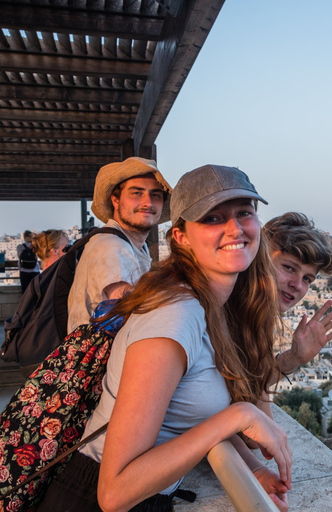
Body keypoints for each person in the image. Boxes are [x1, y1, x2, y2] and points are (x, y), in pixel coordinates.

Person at [38, 164, 292, 512]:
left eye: (244, 213)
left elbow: (192, 407)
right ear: (181, 237)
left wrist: (255, 471)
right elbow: (114, 494)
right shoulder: (174, 315)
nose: (235, 228)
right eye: (213, 218)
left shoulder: (210, 307)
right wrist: (239, 416)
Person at [67, 157, 171, 332]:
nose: (148, 202)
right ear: (115, 200)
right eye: (136, 193)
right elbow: (135, 311)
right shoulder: (111, 246)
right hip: (100, 358)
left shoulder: (133, 244)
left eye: (156, 194)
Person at [267, 212, 332, 376]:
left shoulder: (257, 323)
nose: (296, 285)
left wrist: (295, 358)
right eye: (289, 268)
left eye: (307, 279)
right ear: (260, 258)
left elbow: (252, 389)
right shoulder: (218, 316)